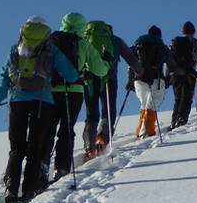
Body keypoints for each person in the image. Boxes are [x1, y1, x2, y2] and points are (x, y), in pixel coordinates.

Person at [0, 16, 78, 203]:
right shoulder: (50, 48)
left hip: (17, 101)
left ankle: (11, 188)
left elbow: (4, 75)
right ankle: (29, 190)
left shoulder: (15, 48)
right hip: (42, 101)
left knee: (16, 147)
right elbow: (71, 74)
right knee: (35, 146)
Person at [44, 12, 110, 181]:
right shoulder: (83, 44)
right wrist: (107, 61)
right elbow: (100, 70)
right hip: (74, 92)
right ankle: (62, 168)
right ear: (82, 26)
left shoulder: (51, 41)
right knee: (66, 130)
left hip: (51, 91)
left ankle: (42, 166)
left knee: (48, 129)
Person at [82, 20, 142, 156]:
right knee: (108, 111)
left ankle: (89, 145)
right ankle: (102, 136)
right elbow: (131, 59)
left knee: (91, 113)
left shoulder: (85, 39)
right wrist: (139, 71)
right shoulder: (115, 40)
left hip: (89, 80)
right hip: (109, 79)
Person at [127, 26, 176, 139]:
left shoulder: (138, 45)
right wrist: (170, 78)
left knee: (144, 105)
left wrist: (130, 81)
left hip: (139, 79)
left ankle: (140, 130)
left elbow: (131, 64)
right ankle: (148, 131)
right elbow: (171, 65)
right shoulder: (161, 47)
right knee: (151, 105)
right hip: (156, 79)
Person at [169, 21, 197, 129]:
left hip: (175, 74)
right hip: (189, 74)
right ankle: (181, 119)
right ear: (194, 32)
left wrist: (167, 75)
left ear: (182, 31)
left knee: (177, 99)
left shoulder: (175, 43)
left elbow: (169, 59)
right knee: (186, 98)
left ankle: (174, 120)